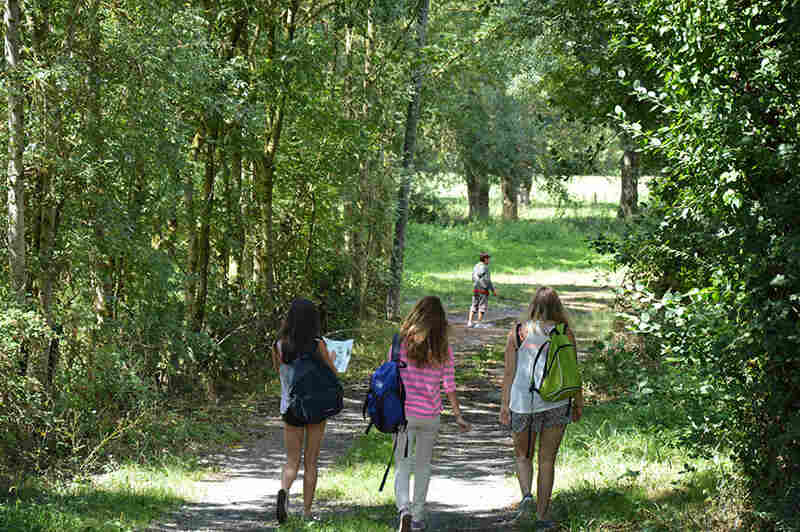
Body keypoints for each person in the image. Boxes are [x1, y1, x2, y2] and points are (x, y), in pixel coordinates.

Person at [499, 286, 584, 528]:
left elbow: (508, 372)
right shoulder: (564, 332)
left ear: (533, 305)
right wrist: (578, 402)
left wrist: (505, 405)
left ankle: (526, 496)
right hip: (556, 401)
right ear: (558, 307)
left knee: (523, 455)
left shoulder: (518, 332)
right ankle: (541, 517)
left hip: (523, 402)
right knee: (547, 460)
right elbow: (572, 372)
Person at [393, 296, 471, 532]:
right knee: (423, 466)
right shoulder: (443, 349)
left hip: (404, 415)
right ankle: (417, 517)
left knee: (403, 465)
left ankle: (403, 509)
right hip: (430, 416)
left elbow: (390, 376)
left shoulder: (400, 344)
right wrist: (457, 415)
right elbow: (449, 386)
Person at [271, 298, 337, 523]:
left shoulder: (279, 345)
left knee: (292, 460)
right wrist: (334, 359)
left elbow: (279, 373)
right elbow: (333, 373)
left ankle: (284, 491)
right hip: (316, 407)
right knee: (311, 460)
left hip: (290, 407)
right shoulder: (318, 344)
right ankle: (307, 512)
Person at [467, 252, 497, 328]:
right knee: (482, 306)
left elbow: (473, 277)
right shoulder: (485, 268)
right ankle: (478, 323)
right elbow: (488, 281)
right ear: (485, 259)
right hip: (483, 289)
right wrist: (493, 290)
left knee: (474, 305)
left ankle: (469, 322)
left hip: (475, 289)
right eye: (488, 259)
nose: (489, 261)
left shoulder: (476, 266)